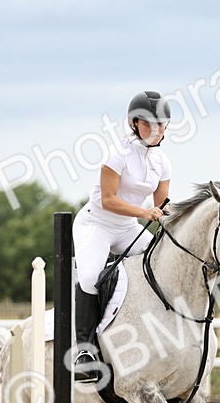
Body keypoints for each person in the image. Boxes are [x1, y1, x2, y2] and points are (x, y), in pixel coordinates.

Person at [71, 90, 173, 382]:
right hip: (97, 224)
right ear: (134, 123)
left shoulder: (162, 162)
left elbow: (163, 205)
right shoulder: (117, 154)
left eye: (161, 124)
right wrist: (144, 213)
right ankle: (84, 354)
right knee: (90, 276)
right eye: (149, 124)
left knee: (161, 261)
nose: (156, 130)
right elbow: (108, 200)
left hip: (127, 228)